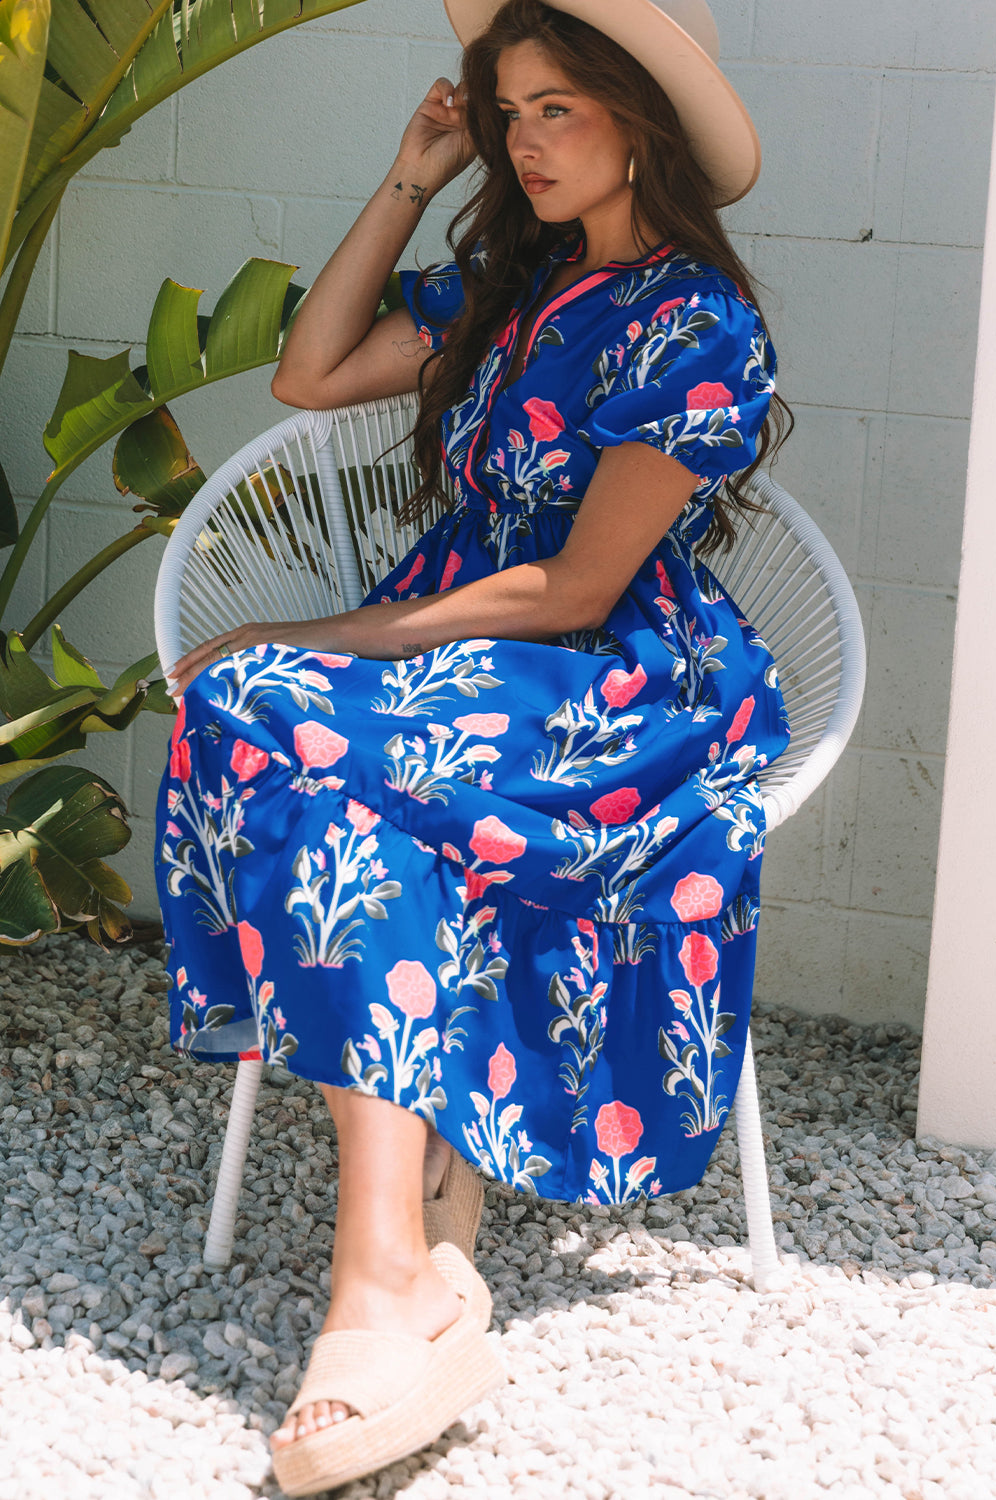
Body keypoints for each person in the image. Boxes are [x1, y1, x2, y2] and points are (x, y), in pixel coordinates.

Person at [158, 0, 792, 1491]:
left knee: (283, 711)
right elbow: (309, 374)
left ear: (640, 118)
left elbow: (576, 587)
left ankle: (391, 1276)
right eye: (510, 112)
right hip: (454, 652)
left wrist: (321, 634)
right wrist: (414, 172)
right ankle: (404, 1256)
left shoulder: (699, 323)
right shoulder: (514, 285)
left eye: (557, 108)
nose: (525, 139)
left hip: (601, 674)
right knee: (264, 726)